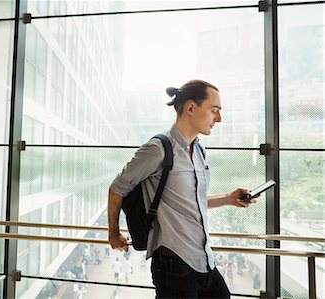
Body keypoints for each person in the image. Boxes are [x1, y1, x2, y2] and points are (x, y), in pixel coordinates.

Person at [107, 80, 258, 298]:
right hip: (173, 267)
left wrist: (228, 198)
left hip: (205, 262)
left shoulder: (198, 150)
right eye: (214, 111)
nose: (219, 118)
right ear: (190, 108)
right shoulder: (157, 150)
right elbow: (117, 188)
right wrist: (112, 232)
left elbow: (192, 201)